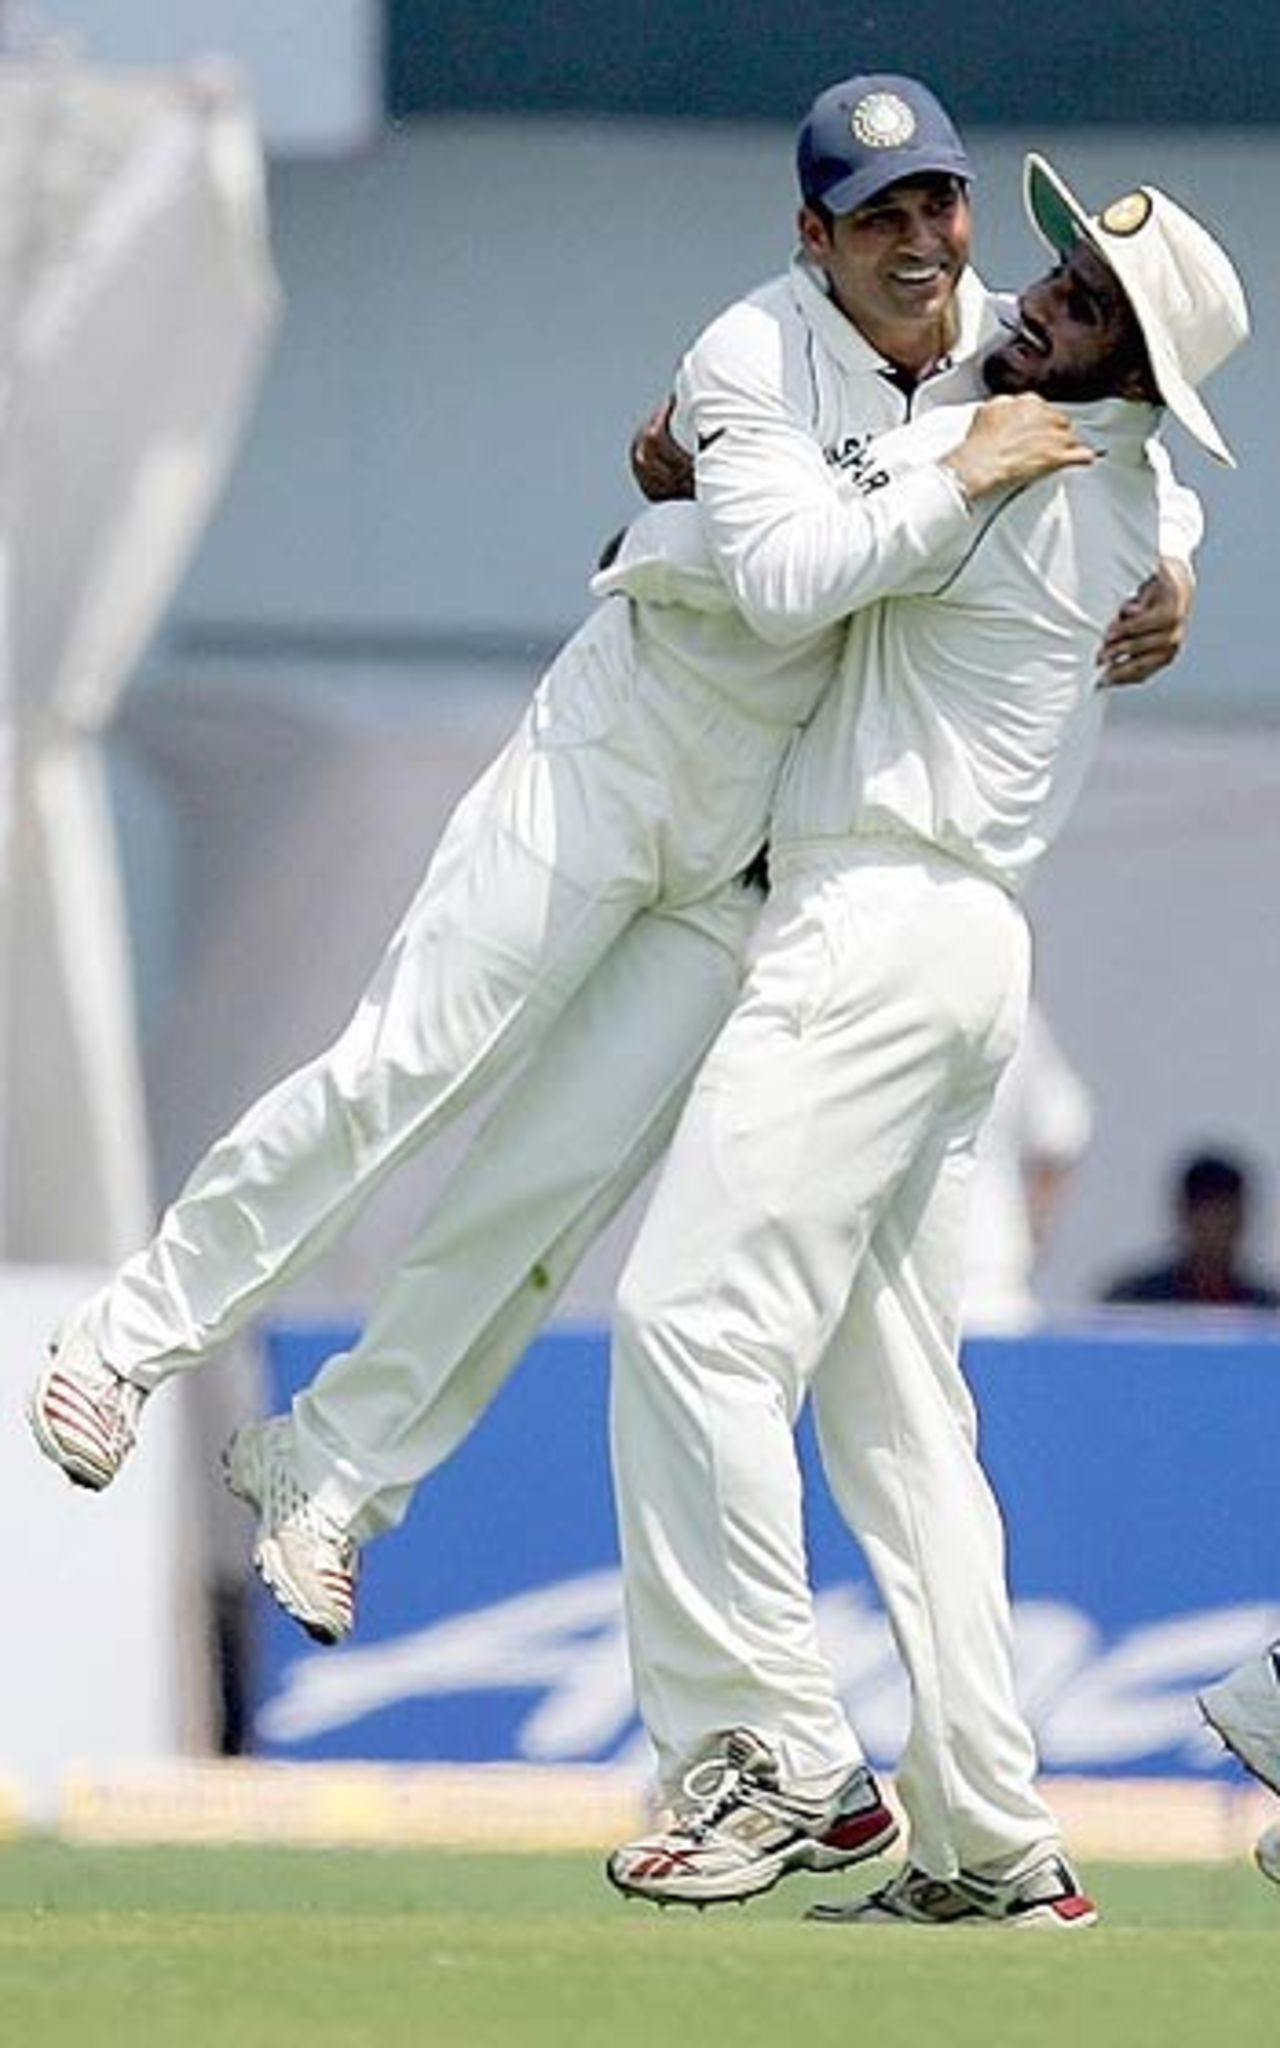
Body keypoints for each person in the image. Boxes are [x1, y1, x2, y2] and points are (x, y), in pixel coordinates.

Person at [28, 76, 1198, 1652]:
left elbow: (1140, 438)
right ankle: (129, 1337)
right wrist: (960, 471)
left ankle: (335, 1467)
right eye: (879, 219)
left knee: (553, 1188)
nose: (920, 242)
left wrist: (1175, 563)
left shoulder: (1004, 342)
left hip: (745, 848)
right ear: (816, 239)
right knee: (409, 1069)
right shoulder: (750, 351)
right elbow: (786, 583)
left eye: (939, 202)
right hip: (618, 754)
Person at [603, 155, 1248, 1927]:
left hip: (874, 926)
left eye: (1087, 306)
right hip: (955, 944)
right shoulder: (1103, 474)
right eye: (1062, 271)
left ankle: (779, 1760)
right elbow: (1113, 485)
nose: (1037, 302)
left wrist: (665, 504)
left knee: (690, 1323)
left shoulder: (1012, 465)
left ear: (1134, 372)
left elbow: (783, 573)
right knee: (901, 1420)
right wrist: (1181, 553)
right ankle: (994, 1837)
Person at [963, 1000, 1093, 1333]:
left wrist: (1029, 1235)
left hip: (984, 1275)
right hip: (985, 1266)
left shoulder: (1009, 1012)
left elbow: (1061, 1133)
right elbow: (1062, 1131)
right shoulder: (1006, 1006)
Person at [1100, 1148, 1279, 1308]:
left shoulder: (1266, 1311)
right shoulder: (1135, 1304)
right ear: (1185, 1216)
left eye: (1230, 1215)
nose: (1220, 1230)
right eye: (1210, 1215)